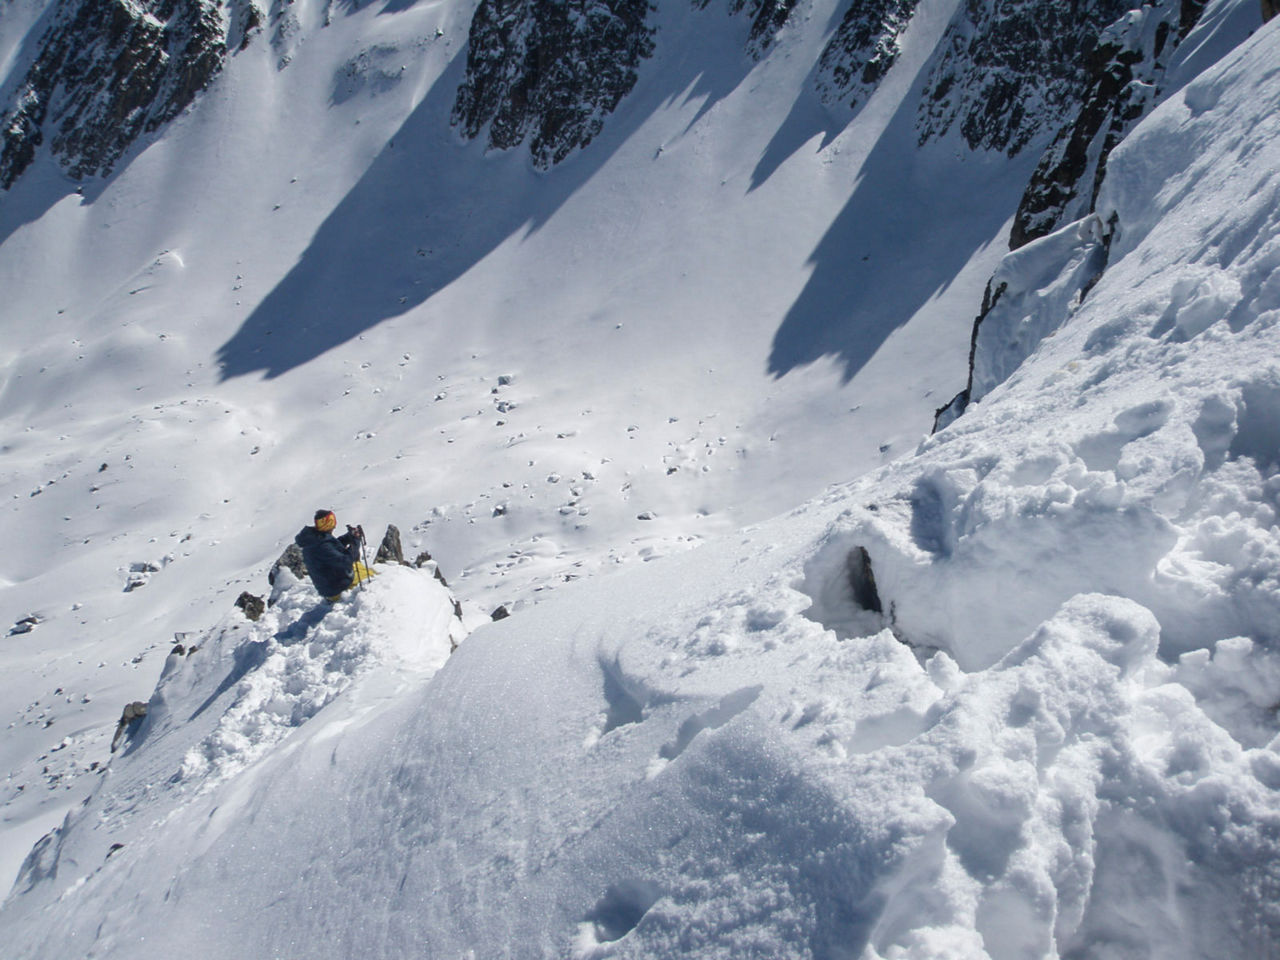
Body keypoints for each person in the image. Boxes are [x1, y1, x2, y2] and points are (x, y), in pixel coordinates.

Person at [295, 509, 374, 601]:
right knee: (375, 579)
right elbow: (346, 561)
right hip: (337, 588)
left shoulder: (315, 539)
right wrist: (355, 542)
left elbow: (333, 547)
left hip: (331, 584)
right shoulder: (322, 544)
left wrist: (348, 537)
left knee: (366, 570)